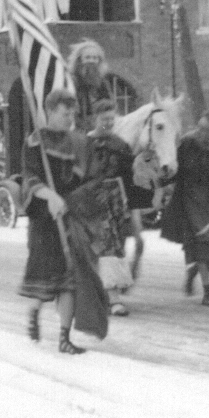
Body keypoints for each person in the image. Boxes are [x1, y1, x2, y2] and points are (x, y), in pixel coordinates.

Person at [19, 88, 109, 354]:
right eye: (64, 112)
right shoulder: (35, 142)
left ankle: (64, 338)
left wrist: (73, 200)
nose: (70, 117)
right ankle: (35, 310)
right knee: (48, 277)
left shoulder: (81, 143)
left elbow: (94, 178)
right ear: (50, 111)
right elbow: (30, 176)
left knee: (72, 278)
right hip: (45, 219)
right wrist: (49, 197)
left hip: (74, 216)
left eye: (72, 112)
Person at [160, 112, 209, 306]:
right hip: (189, 200)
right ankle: (208, 292)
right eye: (198, 126)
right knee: (205, 243)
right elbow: (173, 169)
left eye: (204, 129)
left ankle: (194, 269)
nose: (198, 131)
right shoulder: (187, 146)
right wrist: (163, 179)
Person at [85, 99, 139, 317]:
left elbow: (130, 173)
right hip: (93, 197)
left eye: (111, 119)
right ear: (94, 119)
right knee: (104, 243)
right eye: (103, 119)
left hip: (116, 198)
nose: (108, 122)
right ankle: (114, 298)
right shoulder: (84, 143)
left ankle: (106, 292)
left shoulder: (120, 144)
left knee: (116, 244)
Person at [67, 40, 114, 133]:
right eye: (87, 57)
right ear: (80, 60)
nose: (91, 61)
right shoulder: (72, 81)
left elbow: (109, 107)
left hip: (99, 128)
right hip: (76, 129)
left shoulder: (103, 83)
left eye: (95, 58)